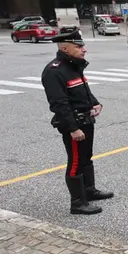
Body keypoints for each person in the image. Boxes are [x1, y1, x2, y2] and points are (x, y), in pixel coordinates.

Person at [41, 30, 114, 215]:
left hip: (86, 120)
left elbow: (82, 90)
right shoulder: (54, 71)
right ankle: (77, 203)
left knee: (86, 158)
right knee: (75, 161)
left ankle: (89, 191)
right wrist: (73, 128)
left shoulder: (74, 66)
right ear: (65, 48)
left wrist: (94, 102)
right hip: (74, 124)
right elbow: (59, 103)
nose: (84, 50)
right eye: (79, 46)